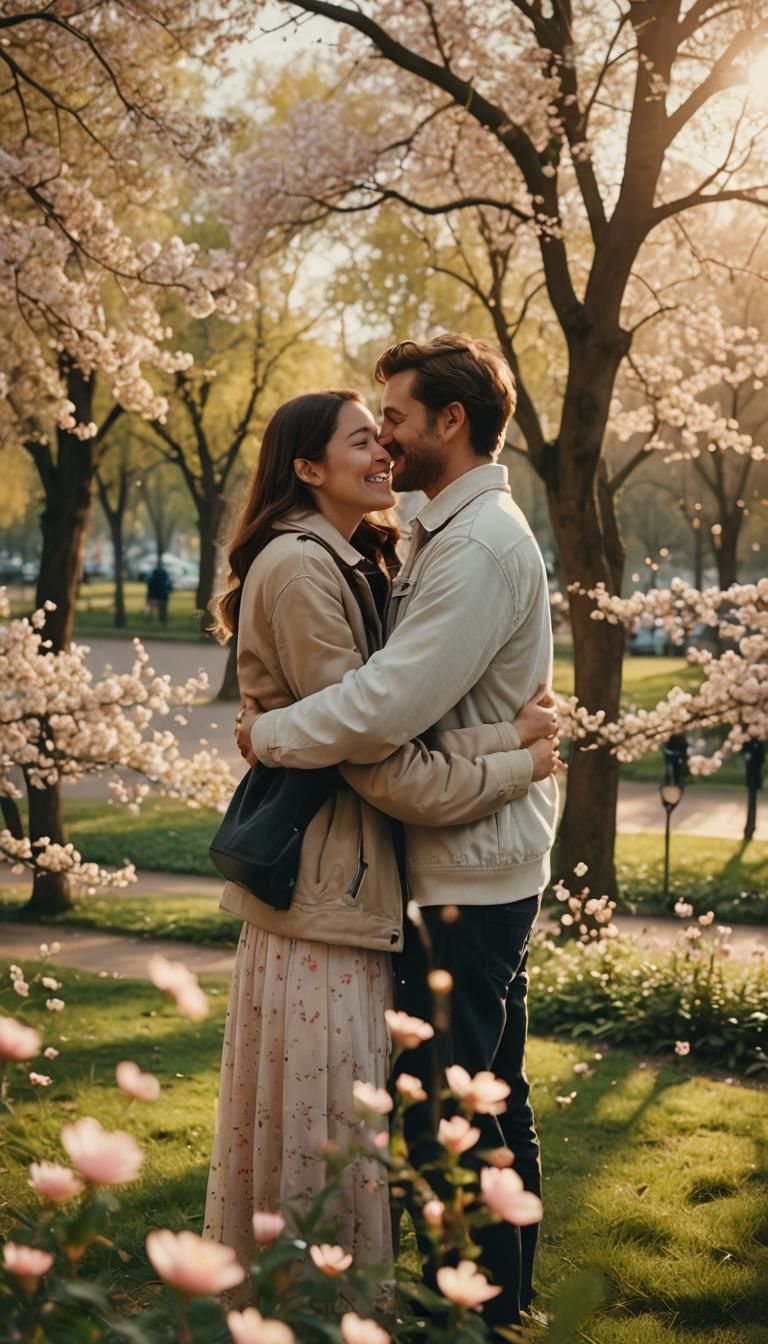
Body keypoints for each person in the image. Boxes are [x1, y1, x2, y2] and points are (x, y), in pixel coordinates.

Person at [238, 336, 560, 1326]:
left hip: (471, 863)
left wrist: (271, 734)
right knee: (483, 1093)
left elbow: (380, 712)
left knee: (448, 1113)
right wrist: (517, 744)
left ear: (448, 424)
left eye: (399, 417)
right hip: (468, 849)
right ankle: (499, 1301)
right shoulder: (440, 529)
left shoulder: (474, 544)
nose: (387, 434)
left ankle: (475, 1307)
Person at [145, 560, 173, 625]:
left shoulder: (152, 575)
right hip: (163, 596)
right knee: (163, 611)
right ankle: (163, 622)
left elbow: (149, 584)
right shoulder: (165, 574)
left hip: (153, 596)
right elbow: (169, 584)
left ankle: (148, 621)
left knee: (150, 609)